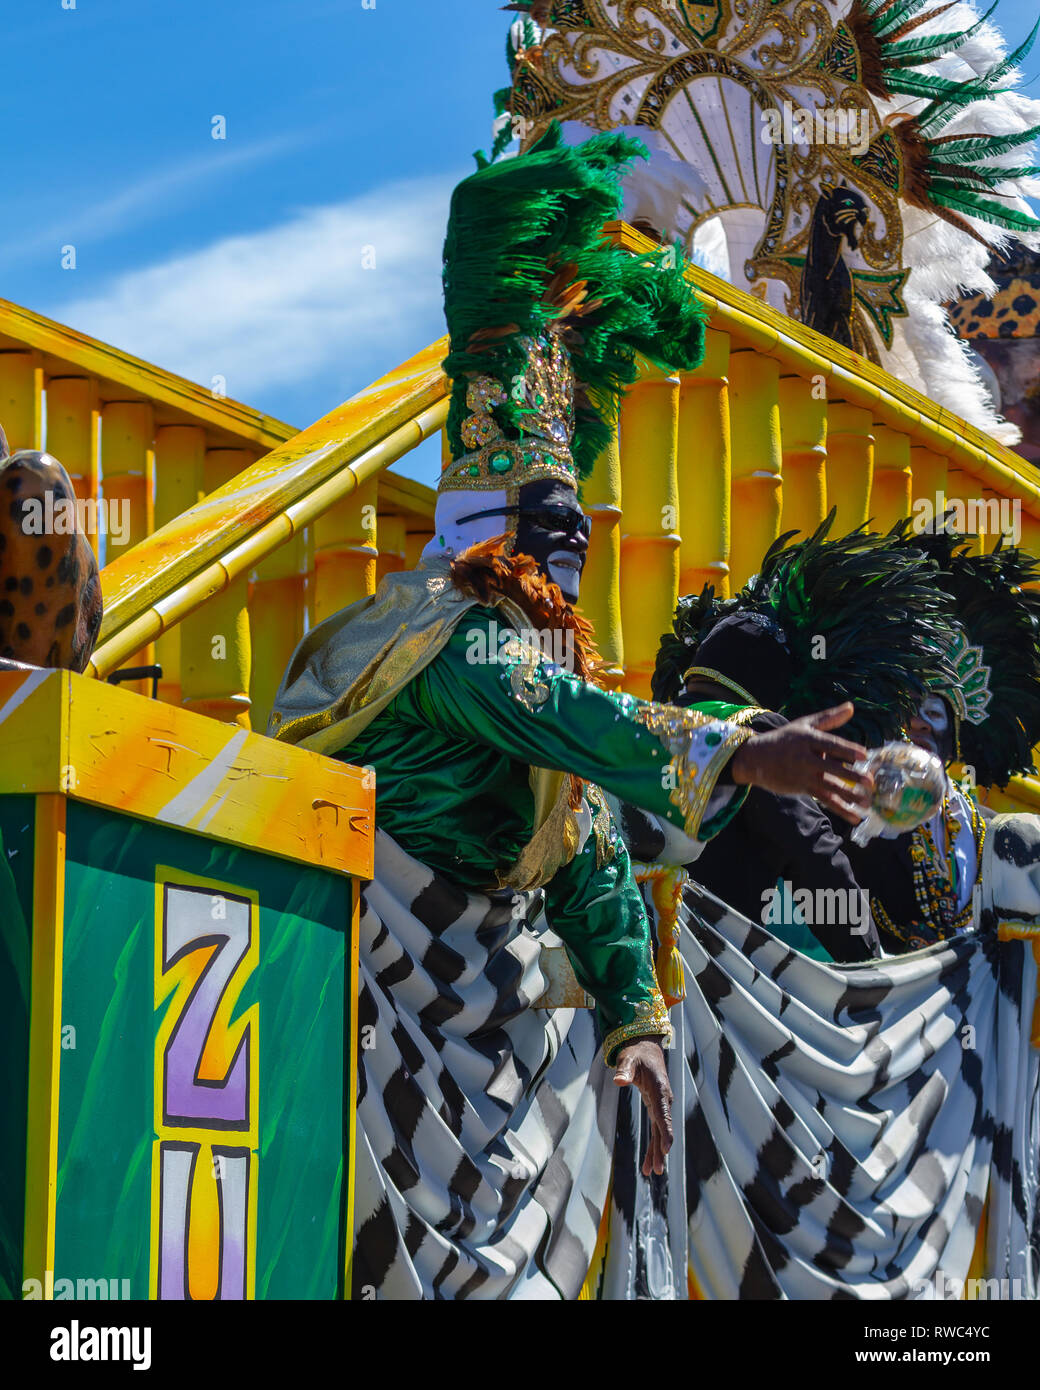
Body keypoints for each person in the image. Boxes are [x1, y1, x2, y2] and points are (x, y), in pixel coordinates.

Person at [269, 126, 873, 1299]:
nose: (572, 556)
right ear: (485, 538)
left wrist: (632, 1017)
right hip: (378, 1026)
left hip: (492, 1051)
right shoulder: (438, 637)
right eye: (548, 533)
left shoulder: (544, 658)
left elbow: (586, 839)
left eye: (578, 537)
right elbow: (567, 719)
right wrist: (749, 753)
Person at [624, 515, 959, 962]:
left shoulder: (644, 725)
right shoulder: (758, 734)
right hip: (700, 982)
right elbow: (813, 857)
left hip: (615, 966)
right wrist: (872, 970)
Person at [842, 528, 1040, 952]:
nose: (920, 725)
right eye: (908, 713)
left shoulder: (984, 826)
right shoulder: (852, 806)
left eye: (933, 713)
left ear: (955, 736)